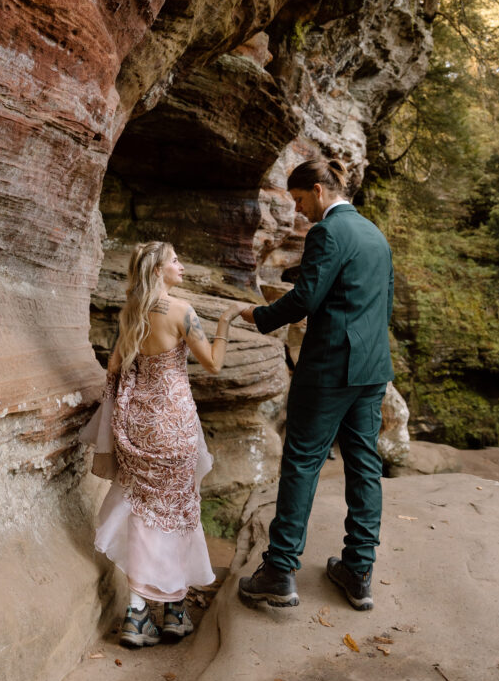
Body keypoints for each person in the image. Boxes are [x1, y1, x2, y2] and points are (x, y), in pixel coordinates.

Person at [238, 157, 394, 612]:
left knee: (303, 460)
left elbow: (307, 298)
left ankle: (280, 570)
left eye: (301, 200)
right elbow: (382, 304)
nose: (300, 211)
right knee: (364, 465)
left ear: (319, 192)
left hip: (328, 369)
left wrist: (260, 316)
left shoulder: (328, 232)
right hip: (371, 368)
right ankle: (358, 571)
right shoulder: (375, 234)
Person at [81, 241, 242, 647]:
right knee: (178, 514)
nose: (182, 267)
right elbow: (214, 363)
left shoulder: (131, 314)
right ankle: (173, 614)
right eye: (175, 261)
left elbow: (116, 367)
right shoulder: (182, 311)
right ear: (157, 270)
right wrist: (224, 320)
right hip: (174, 427)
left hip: (137, 424)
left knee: (144, 516)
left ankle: (138, 614)